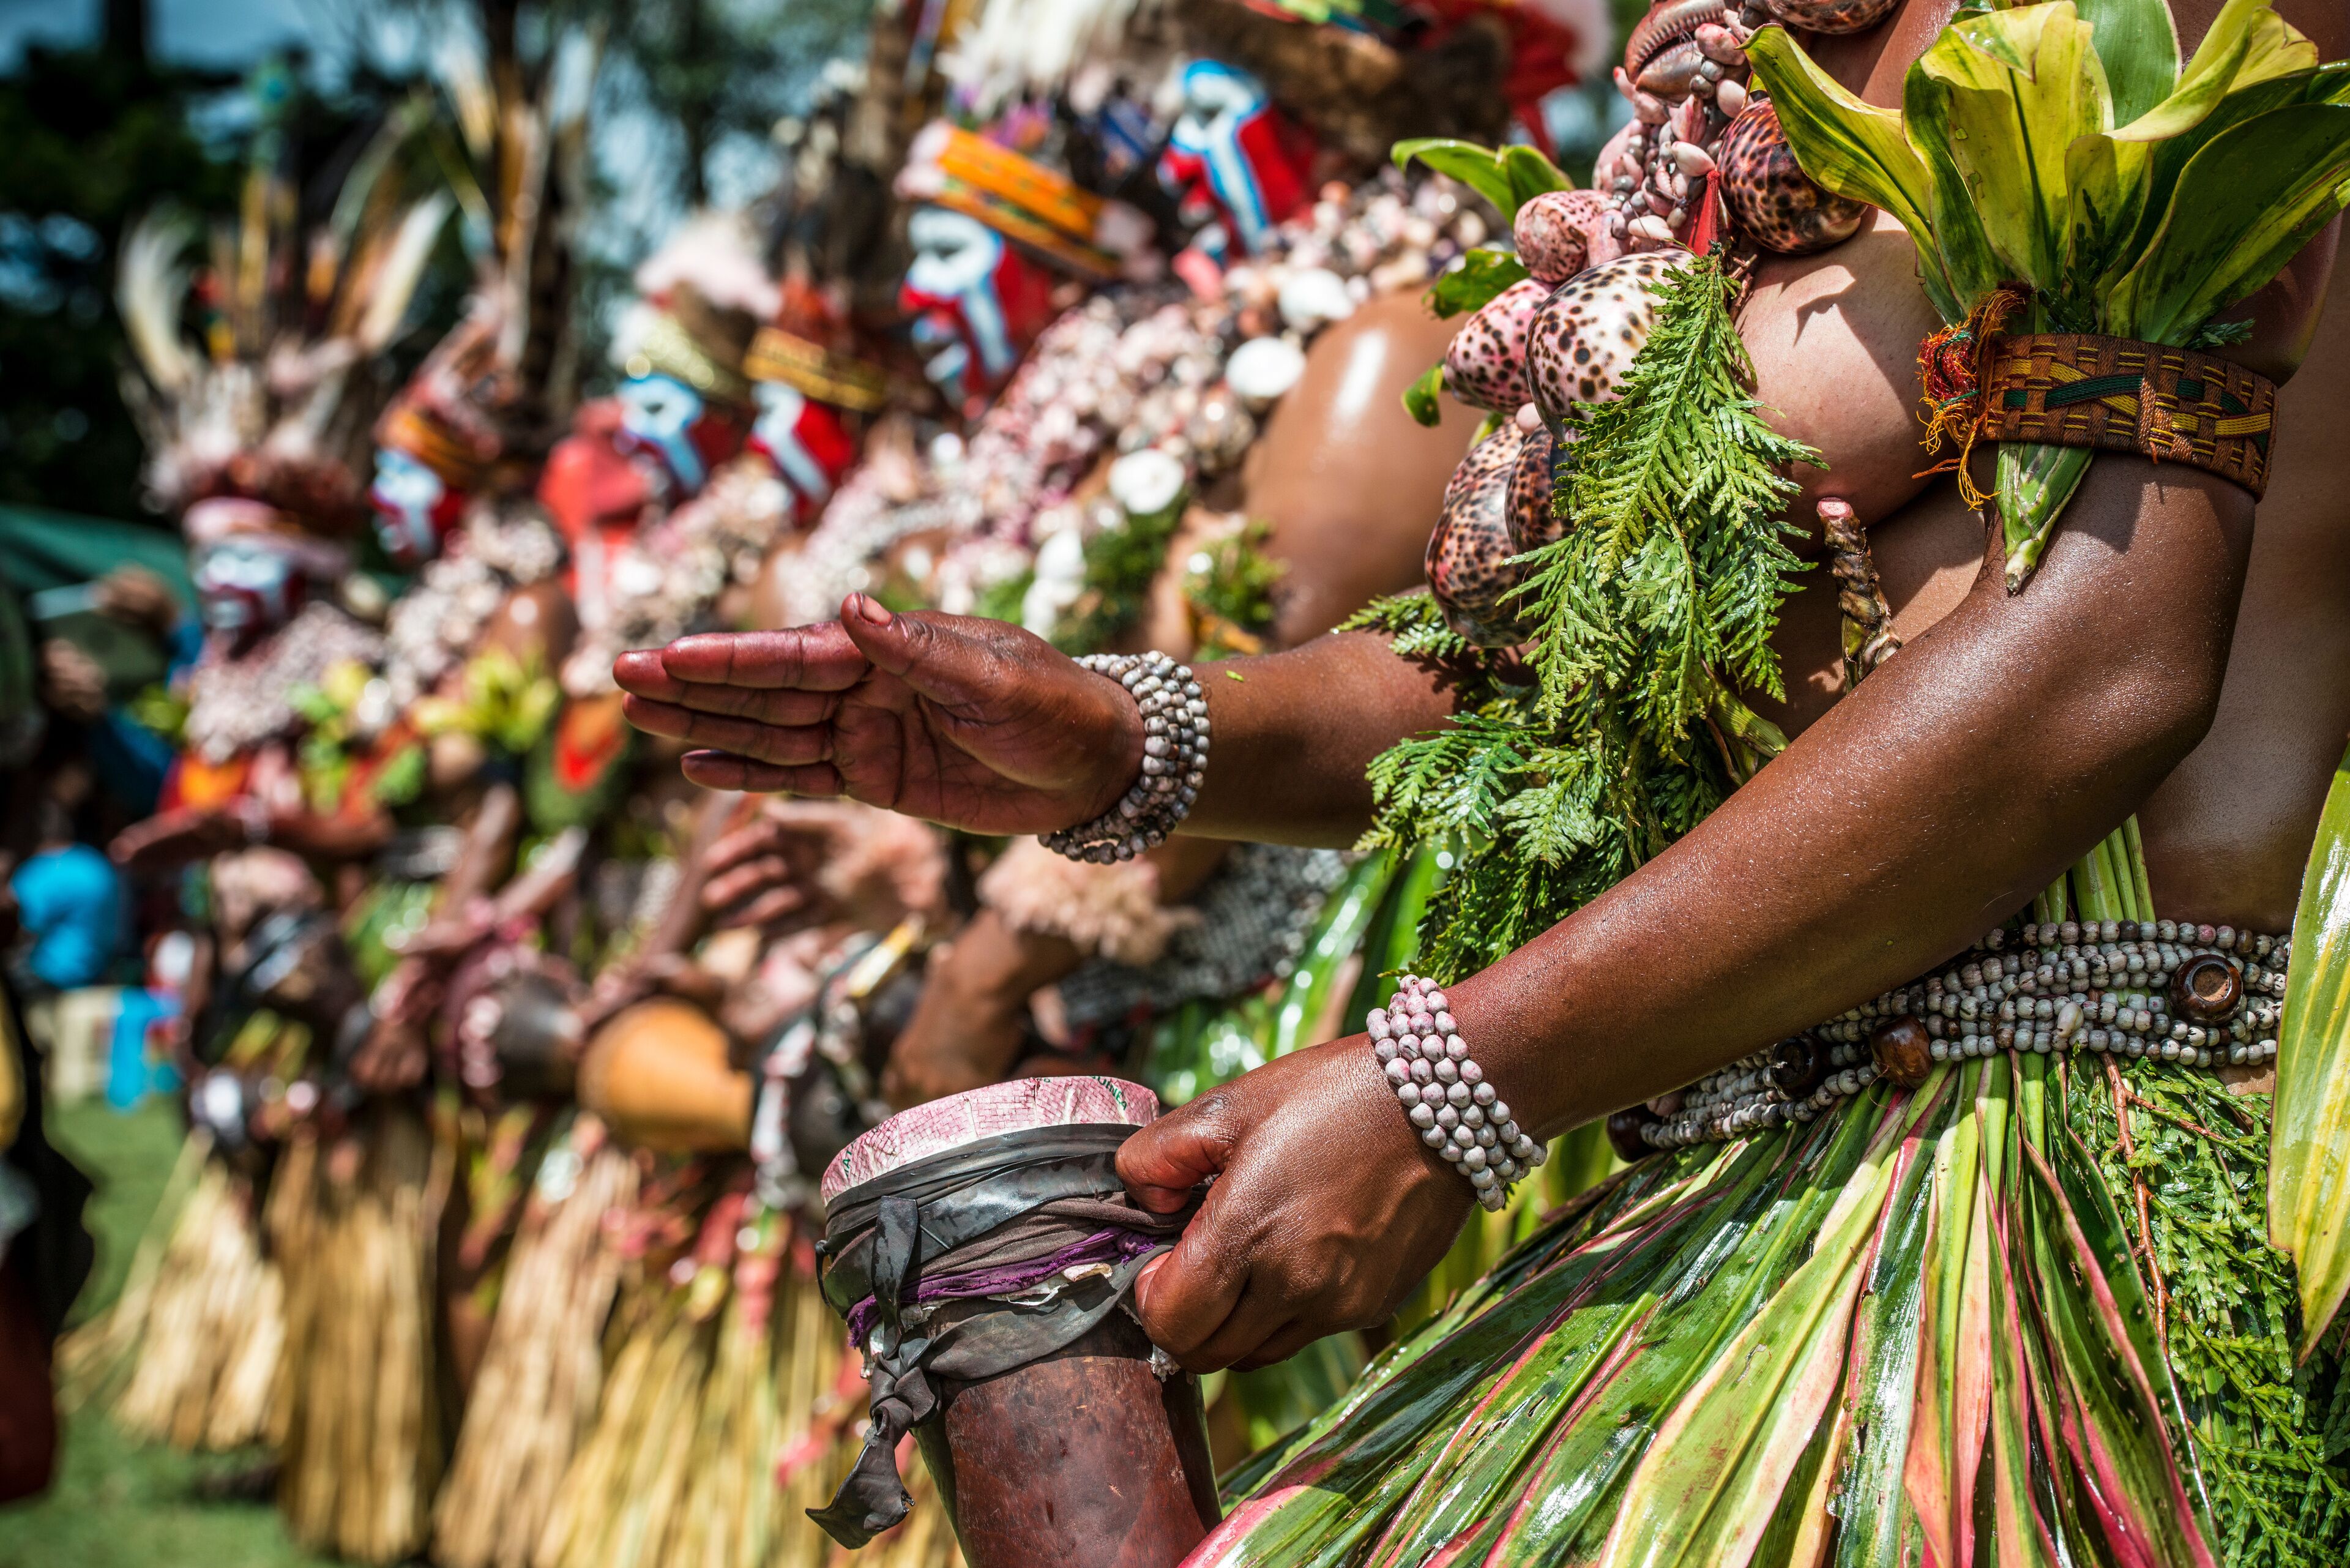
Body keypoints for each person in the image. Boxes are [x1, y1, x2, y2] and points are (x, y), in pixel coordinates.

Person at [618, 0, 2350, 1555]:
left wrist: (1453, 1081)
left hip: (2045, 1252)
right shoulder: (1741, 88)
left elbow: (2097, 660)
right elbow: (1541, 669)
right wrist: (1132, 736)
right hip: (1728, 1208)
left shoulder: (2157, 22)